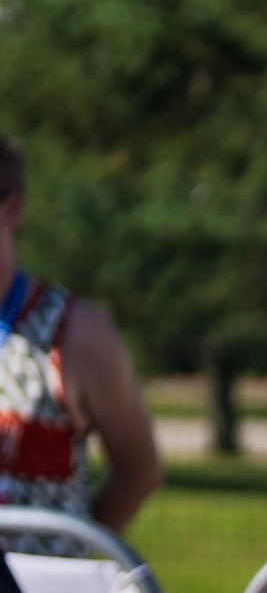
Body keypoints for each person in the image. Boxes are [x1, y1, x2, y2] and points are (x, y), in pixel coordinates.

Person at [0, 135, 160, 551]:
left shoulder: (75, 332)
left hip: (36, 587)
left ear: (10, 211)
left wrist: (75, 555)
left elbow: (139, 471)